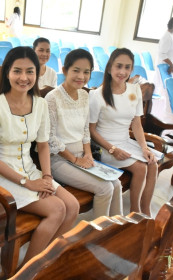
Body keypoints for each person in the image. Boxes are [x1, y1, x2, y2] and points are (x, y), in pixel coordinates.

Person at [0, 46, 79, 266]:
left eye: (30, 71)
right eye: (17, 71)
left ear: (37, 73)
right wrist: (28, 183)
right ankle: (27, 271)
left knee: (73, 206)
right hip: (0, 176)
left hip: (31, 171)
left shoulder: (40, 104)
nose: (23, 77)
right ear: (7, 72)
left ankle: (42, 261)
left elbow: (43, 145)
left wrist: (46, 176)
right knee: (57, 209)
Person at [46, 49, 123, 219]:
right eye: (76, 70)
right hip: (60, 160)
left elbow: (85, 131)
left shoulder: (83, 95)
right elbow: (50, 139)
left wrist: (88, 155)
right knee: (105, 188)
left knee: (116, 183)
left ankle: (118, 226)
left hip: (82, 156)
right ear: (65, 71)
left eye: (86, 72)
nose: (81, 76)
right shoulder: (52, 98)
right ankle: (99, 234)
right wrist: (75, 160)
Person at [89, 48, 158, 217]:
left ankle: (146, 210)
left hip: (126, 141)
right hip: (106, 146)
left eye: (127, 67)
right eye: (118, 66)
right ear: (109, 67)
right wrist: (112, 149)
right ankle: (134, 213)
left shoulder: (134, 91)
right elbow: (91, 130)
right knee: (141, 168)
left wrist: (144, 148)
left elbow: (136, 123)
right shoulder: (97, 95)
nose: (122, 72)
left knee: (153, 164)